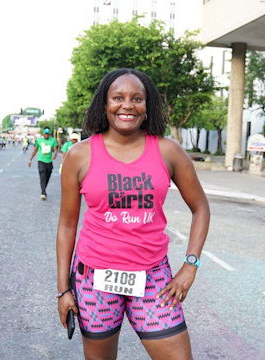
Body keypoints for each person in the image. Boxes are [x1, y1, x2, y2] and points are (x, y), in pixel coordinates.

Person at [56, 68, 210, 360]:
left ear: (147, 106)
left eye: (137, 98)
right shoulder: (80, 154)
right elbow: (66, 226)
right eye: (118, 97)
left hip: (153, 278)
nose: (127, 105)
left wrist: (190, 266)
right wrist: (63, 290)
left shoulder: (168, 151)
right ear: (104, 104)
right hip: (94, 279)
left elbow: (200, 208)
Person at [28, 127, 58, 200]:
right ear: (43, 134)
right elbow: (35, 150)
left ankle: (44, 188)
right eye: (45, 134)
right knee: (42, 176)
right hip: (41, 161)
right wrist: (30, 159)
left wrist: (55, 154)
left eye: (48, 134)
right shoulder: (39, 141)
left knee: (47, 177)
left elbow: (55, 150)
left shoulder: (53, 141)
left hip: (49, 162)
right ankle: (43, 192)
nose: (46, 135)